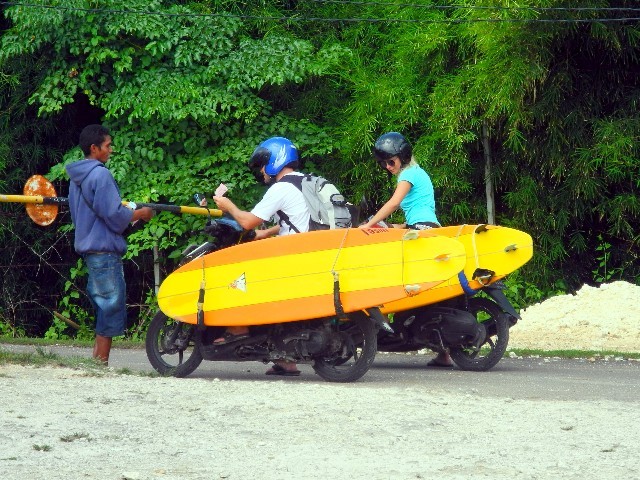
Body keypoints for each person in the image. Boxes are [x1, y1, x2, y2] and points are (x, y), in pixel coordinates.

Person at [211, 136, 310, 376]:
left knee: (237, 277)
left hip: (293, 258)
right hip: (312, 254)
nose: (262, 171)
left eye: (264, 164)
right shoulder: (306, 182)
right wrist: (265, 233)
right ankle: (286, 361)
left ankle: (238, 329)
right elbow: (298, 219)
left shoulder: (281, 188)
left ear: (276, 160)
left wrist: (228, 206)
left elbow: (246, 222)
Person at [359, 132, 453, 368]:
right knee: (427, 293)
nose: (388, 167)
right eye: (384, 164)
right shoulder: (418, 173)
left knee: (392, 276)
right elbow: (420, 210)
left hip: (420, 231)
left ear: (403, 157)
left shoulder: (409, 173)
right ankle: (444, 351)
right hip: (425, 228)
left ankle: (388, 316)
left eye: (391, 161)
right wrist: (395, 226)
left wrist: (368, 225)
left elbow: (392, 203)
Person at [66, 124, 153, 365]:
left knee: (103, 302)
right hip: (104, 248)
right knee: (110, 305)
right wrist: (142, 213)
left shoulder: (77, 178)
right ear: (94, 148)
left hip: (89, 247)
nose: (111, 150)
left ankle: (97, 361)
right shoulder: (100, 174)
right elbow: (114, 215)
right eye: (107, 146)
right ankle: (100, 363)